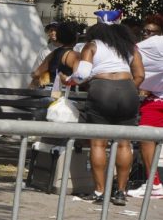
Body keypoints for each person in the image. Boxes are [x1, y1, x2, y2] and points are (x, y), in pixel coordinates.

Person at [66, 22, 144, 206]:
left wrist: (68, 80)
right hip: (127, 90)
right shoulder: (129, 47)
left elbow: (82, 74)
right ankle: (120, 192)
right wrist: (128, 88)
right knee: (124, 144)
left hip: (101, 89)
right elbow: (140, 74)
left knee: (98, 143)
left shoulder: (92, 45)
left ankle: (100, 192)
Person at [131, 15, 163, 198]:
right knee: (146, 137)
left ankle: (155, 184)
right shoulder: (145, 52)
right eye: (146, 31)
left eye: (153, 32)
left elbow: (125, 50)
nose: (148, 35)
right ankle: (154, 183)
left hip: (156, 101)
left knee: (145, 136)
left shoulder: (155, 44)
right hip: (155, 100)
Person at [29, 21, 78, 88]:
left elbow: (36, 74)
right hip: (55, 89)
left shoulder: (54, 53)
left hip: (58, 91)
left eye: (56, 30)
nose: (53, 33)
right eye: (51, 30)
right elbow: (36, 73)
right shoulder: (45, 51)